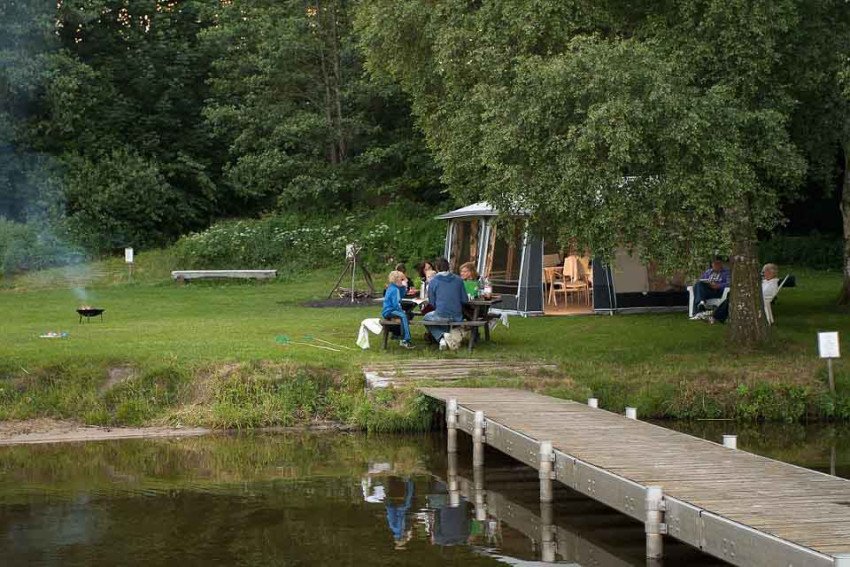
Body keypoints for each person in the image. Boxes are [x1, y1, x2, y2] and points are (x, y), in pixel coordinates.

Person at [710, 263, 779, 324]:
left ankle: (716, 316)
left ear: (771, 273)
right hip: (755, 298)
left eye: (765, 272)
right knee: (731, 295)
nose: (763, 274)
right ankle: (718, 316)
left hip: (756, 301)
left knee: (731, 298)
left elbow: (761, 295)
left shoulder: (771, 284)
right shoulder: (767, 282)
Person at [423, 257, 467, 350]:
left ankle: (441, 337)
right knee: (440, 317)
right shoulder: (459, 280)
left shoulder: (433, 281)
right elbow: (465, 300)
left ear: (437, 268)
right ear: (448, 267)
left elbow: (432, 303)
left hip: (441, 314)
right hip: (457, 315)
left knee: (426, 318)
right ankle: (445, 338)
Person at [382, 270, 414, 349]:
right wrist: (401, 311)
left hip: (390, 309)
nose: (404, 281)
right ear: (396, 280)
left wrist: (404, 286)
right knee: (404, 316)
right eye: (402, 279)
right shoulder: (394, 290)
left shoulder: (394, 287)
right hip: (390, 310)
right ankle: (405, 339)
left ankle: (402, 336)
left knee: (407, 315)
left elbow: (401, 295)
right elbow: (396, 304)